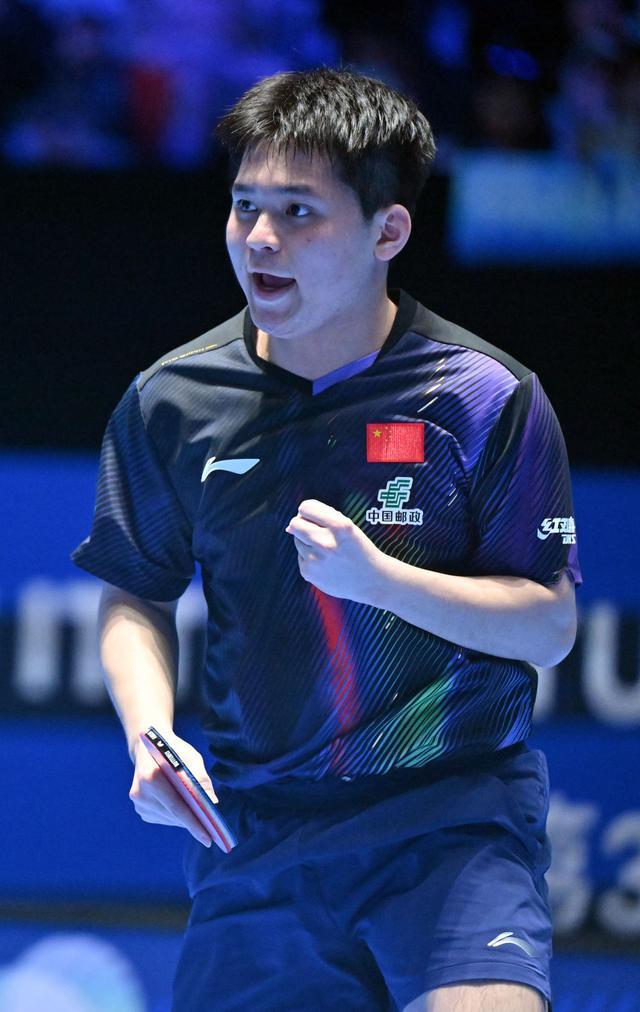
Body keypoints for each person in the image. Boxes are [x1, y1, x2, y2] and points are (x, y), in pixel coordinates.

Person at [73, 68, 581, 1011]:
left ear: (388, 232)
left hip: (450, 819)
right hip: (258, 832)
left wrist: (382, 581)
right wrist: (149, 731)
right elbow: (135, 590)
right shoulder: (173, 401)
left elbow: (548, 627)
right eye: (245, 206)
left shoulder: (483, 397)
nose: (260, 238)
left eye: (299, 211)